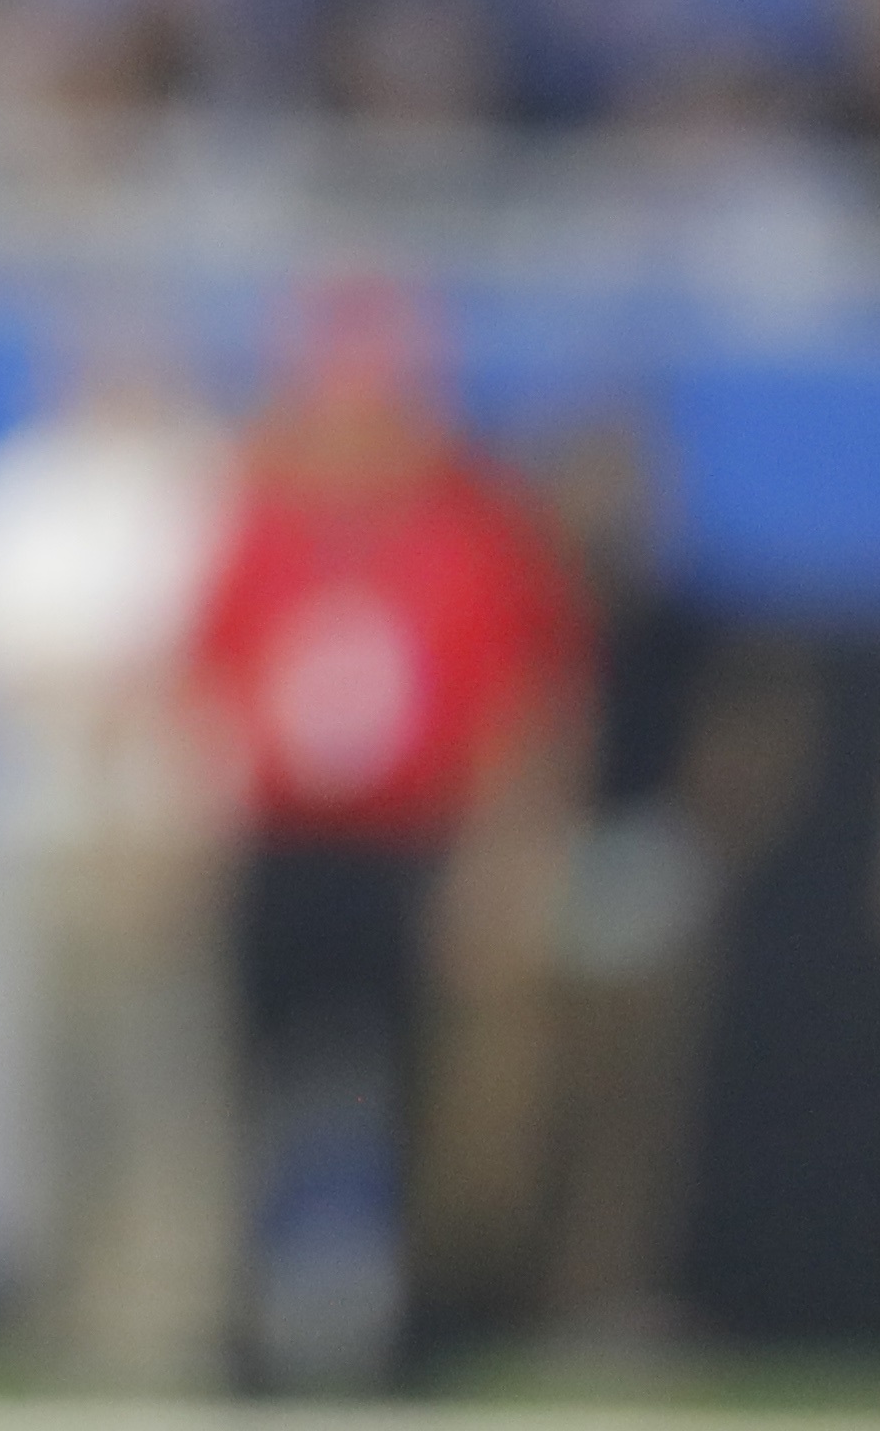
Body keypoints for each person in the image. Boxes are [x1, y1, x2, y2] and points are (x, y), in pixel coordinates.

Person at [186, 275, 582, 1387]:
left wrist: (501, 868)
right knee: (259, 1093)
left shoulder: (475, 528)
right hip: (283, 844)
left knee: (424, 1104)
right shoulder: (264, 520)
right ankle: (250, 1323)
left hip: (416, 848)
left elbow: (524, 710)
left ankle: (414, 1325)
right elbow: (209, 684)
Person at [0, 310, 240, 1388]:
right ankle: (53, 1301)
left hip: (165, 833)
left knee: (166, 1083)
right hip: (29, 830)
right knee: (41, 1086)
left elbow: (220, 662)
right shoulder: (8, 501)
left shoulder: (214, 492)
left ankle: (167, 1317)